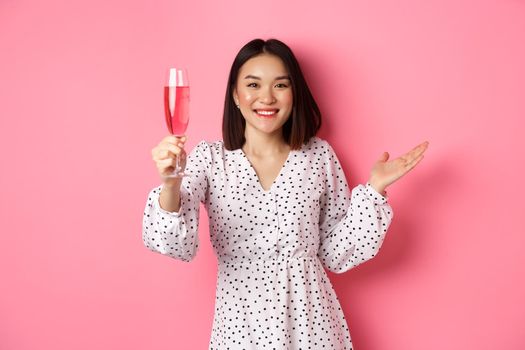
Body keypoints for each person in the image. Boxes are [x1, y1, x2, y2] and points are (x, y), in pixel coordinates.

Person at [143, 38, 429, 349]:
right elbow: (174, 243)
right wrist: (170, 183)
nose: (266, 97)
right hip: (240, 327)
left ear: (294, 95)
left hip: (312, 327)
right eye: (253, 84)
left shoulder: (318, 156)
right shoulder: (210, 159)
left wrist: (375, 189)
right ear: (236, 96)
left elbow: (335, 253)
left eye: (280, 85)